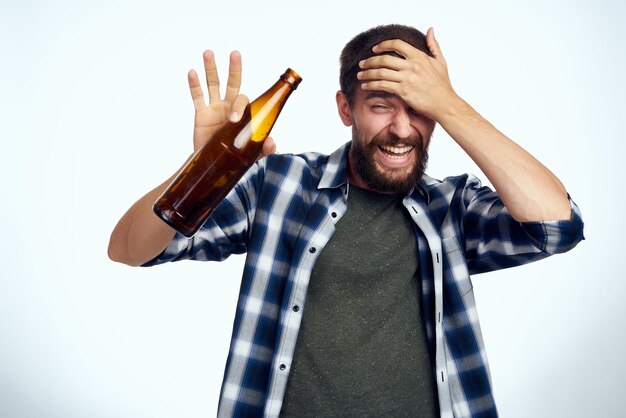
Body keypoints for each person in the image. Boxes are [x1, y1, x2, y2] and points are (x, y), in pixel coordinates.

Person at [108, 24, 584, 417]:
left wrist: (450, 103)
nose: (401, 129)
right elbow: (130, 249)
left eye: (420, 109)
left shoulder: (452, 207)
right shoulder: (277, 185)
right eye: (381, 106)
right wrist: (203, 170)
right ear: (345, 109)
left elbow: (558, 227)